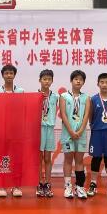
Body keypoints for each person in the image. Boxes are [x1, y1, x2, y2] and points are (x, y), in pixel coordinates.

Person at [0, 64, 24, 198]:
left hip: (16, 129)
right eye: (6, 73)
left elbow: (24, 108)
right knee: (3, 158)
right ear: (2, 75)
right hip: (1, 129)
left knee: (16, 158)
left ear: (14, 75)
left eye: (11, 73)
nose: (9, 75)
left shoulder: (20, 91)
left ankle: (16, 186)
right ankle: (2, 185)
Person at [59, 70, 90, 199]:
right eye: (76, 79)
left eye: (80, 79)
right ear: (71, 81)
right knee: (68, 160)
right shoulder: (64, 96)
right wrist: (71, 131)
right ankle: (68, 187)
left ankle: (79, 187)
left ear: (83, 82)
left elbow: (86, 115)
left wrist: (81, 130)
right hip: (68, 133)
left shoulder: (86, 97)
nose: (78, 81)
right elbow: (63, 114)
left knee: (79, 160)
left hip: (81, 133)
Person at [37, 69, 59, 197]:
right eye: (44, 79)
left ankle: (48, 183)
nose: (46, 81)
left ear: (52, 81)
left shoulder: (55, 96)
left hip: (49, 128)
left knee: (47, 158)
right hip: (38, 128)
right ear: (40, 80)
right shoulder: (35, 95)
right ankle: (40, 183)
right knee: (39, 158)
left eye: (49, 79)